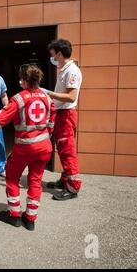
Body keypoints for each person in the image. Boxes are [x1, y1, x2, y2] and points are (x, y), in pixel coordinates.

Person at [0, 65, 55, 231]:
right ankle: (30, 219)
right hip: (45, 147)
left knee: (12, 178)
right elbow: (51, 122)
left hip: (26, 147)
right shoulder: (47, 98)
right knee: (35, 181)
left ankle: (14, 216)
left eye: (21, 78)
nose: (19, 81)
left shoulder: (19, 99)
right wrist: (46, 136)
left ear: (25, 80)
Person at [46, 39, 83, 201]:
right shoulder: (64, 70)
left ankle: (73, 187)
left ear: (59, 53)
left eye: (53, 54)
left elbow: (71, 96)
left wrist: (49, 94)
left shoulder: (72, 71)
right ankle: (65, 180)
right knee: (62, 148)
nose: (52, 57)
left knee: (67, 150)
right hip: (61, 114)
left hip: (66, 114)